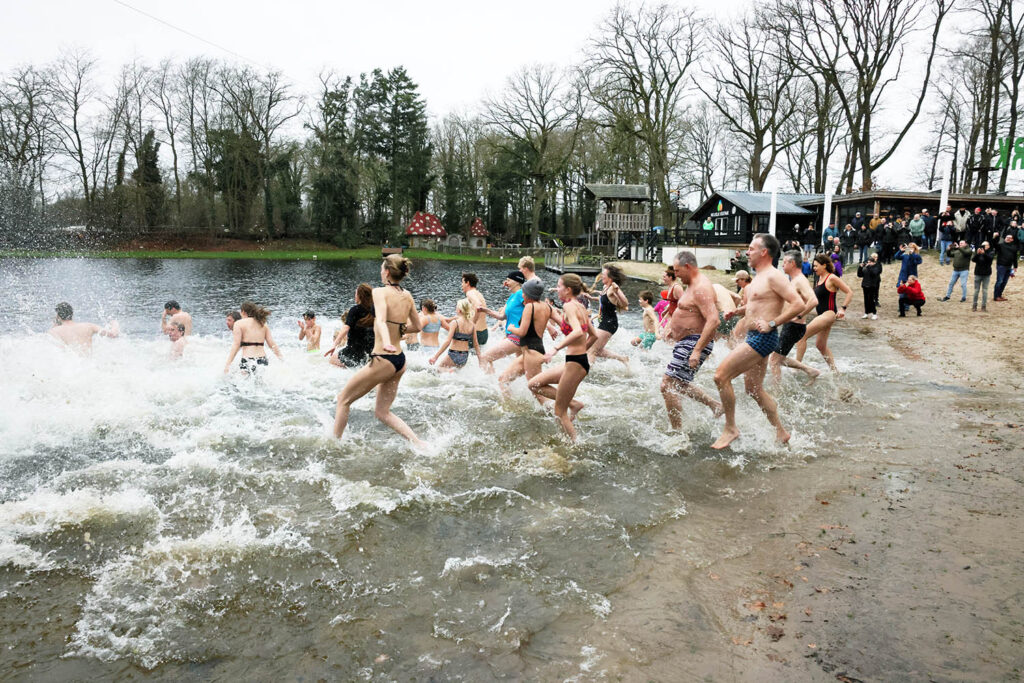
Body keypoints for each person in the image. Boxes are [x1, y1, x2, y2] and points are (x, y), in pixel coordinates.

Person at [712, 234, 805, 450]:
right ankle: (781, 432)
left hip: (763, 338)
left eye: (752, 248)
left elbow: (798, 303)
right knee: (754, 389)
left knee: (720, 376)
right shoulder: (760, 277)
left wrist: (773, 322)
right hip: (756, 336)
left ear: (764, 252)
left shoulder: (774, 276)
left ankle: (731, 428)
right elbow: (758, 305)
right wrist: (737, 311)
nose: (747, 252)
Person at [333, 255, 424, 446]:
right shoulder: (407, 295)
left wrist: (387, 340)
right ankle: (420, 444)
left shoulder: (380, 292)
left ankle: (333, 445)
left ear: (388, 272)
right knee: (382, 412)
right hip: (399, 360)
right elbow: (417, 326)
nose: (381, 272)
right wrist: (398, 330)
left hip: (384, 357)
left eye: (382, 269)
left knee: (343, 400)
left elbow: (381, 319)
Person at [659, 251, 723, 428]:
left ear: (688, 267)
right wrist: (673, 328)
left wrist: (697, 350)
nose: (676, 275)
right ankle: (715, 406)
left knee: (667, 384)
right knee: (678, 383)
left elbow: (714, 319)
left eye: (678, 271)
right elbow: (689, 312)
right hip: (687, 340)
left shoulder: (701, 287)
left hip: (694, 342)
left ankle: (677, 431)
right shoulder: (691, 285)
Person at [527, 274, 594, 441]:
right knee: (534, 384)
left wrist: (556, 348)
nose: (557, 290)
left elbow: (578, 331)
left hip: (575, 363)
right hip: (576, 362)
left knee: (559, 411)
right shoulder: (580, 307)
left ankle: (574, 446)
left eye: (559, 286)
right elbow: (594, 336)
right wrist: (581, 351)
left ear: (568, 290)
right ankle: (574, 404)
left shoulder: (570, 307)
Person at [795, 254, 853, 374]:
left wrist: (843, 309)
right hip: (822, 315)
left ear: (824, 265)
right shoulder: (819, 280)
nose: (814, 268)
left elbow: (849, 292)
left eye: (816, 266)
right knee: (820, 345)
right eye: (813, 266)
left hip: (829, 314)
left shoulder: (831, 278)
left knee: (802, 336)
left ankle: (797, 368)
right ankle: (835, 371)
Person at [770, 251, 821, 382]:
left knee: (774, 361)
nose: (782, 265)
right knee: (778, 359)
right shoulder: (794, 280)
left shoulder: (800, 280)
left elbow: (813, 300)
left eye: (785, 262)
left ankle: (777, 393)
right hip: (792, 326)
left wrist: (799, 316)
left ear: (792, 263)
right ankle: (810, 370)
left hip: (794, 326)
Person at [478, 271, 527, 393]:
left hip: (517, 336)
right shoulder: (512, 297)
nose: (506, 282)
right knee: (525, 371)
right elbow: (501, 316)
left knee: (484, 358)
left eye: (508, 280)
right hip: (514, 336)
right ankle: (518, 392)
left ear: (517, 281)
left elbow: (534, 307)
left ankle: (491, 386)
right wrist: (485, 310)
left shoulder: (522, 294)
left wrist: (548, 325)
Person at [506, 278, 553, 397]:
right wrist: (552, 329)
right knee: (503, 380)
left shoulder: (530, 307)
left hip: (532, 353)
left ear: (529, 294)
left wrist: (511, 328)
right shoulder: (547, 306)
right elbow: (561, 322)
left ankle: (562, 407)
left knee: (536, 390)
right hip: (530, 352)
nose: (522, 295)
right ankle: (509, 410)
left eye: (524, 292)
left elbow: (522, 332)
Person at [587, 264, 630, 368]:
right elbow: (605, 300)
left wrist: (617, 290)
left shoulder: (613, 288)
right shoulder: (605, 287)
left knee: (592, 349)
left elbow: (625, 303)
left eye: (603, 274)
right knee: (598, 350)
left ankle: (588, 372)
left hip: (609, 323)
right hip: (605, 322)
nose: (601, 276)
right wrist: (592, 298)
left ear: (610, 278)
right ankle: (622, 358)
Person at [223, 301, 283, 374]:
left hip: (248, 359)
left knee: (245, 384)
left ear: (243, 312)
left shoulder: (238, 324)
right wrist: (281, 358)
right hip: (262, 359)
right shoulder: (263, 323)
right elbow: (271, 344)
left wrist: (228, 364)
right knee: (261, 384)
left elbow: (236, 344)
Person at [325, 284, 376, 368]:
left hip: (354, 351)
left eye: (355, 294)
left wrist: (334, 345)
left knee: (332, 360)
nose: (354, 296)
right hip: (372, 351)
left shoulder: (355, 310)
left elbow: (345, 328)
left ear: (360, 296)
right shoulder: (376, 310)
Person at [429, 298, 481, 371]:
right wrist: (480, 360)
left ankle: (449, 371)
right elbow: (476, 344)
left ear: (459, 310)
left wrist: (435, 357)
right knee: (456, 373)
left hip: (454, 353)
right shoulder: (472, 325)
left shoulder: (455, 323)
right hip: (465, 356)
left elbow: (447, 341)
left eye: (456, 307)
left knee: (438, 370)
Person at [48, 302, 119, 351]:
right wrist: (114, 323)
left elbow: (55, 351)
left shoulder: (54, 331)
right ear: (72, 314)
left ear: (58, 316)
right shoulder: (88, 326)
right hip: (88, 365)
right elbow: (113, 334)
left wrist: (56, 325)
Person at [460, 272, 488, 349]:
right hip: (484, 333)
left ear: (467, 283)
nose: (461, 285)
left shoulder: (470, 293)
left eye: (462, 282)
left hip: (476, 332)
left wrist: (472, 323)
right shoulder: (478, 294)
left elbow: (478, 305)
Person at [993, 234, 1019, 302]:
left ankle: (999, 295)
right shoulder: (1001, 245)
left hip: (1009, 266)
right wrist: (996, 237)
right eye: (1006, 237)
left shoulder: (1014, 247)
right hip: (1001, 266)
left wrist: (1015, 266)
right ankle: (996, 296)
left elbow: (1015, 258)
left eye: (1009, 238)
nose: (1007, 238)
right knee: (999, 281)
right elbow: (994, 244)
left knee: (1004, 282)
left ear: (1012, 239)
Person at [857, 252, 883, 320]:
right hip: (865, 285)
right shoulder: (866, 268)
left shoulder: (876, 267)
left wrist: (869, 267)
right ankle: (866, 313)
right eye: (868, 262)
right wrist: (860, 267)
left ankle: (874, 313)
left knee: (872, 300)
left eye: (870, 262)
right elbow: (859, 275)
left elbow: (874, 273)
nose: (868, 263)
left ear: (873, 262)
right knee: (866, 300)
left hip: (872, 285)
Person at [972, 242, 994, 312]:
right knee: (976, 290)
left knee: (985, 290)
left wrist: (984, 254)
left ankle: (983, 306)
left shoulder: (991, 252)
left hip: (986, 274)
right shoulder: (979, 252)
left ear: (988, 246)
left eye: (985, 245)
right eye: (982, 245)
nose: (983, 246)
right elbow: (973, 260)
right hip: (978, 273)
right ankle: (974, 305)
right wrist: (977, 254)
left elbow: (989, 260)